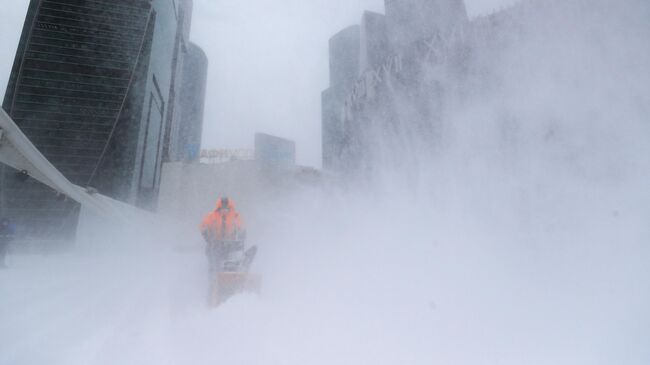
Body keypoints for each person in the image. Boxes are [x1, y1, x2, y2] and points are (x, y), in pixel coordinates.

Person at [200, 197, 246, 274]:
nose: (224, 210)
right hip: (215, 244)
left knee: (234, 260)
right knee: (213, 262)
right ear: (219, 208)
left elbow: (242, 227)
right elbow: (203, 226)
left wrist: (241, 237)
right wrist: (208, 238)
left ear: (230, 208)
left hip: (231, 244)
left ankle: (234, 275)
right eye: (222, 208)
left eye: (226, 208)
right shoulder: (212, 216)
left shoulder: (235, 217)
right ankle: (213, 277)